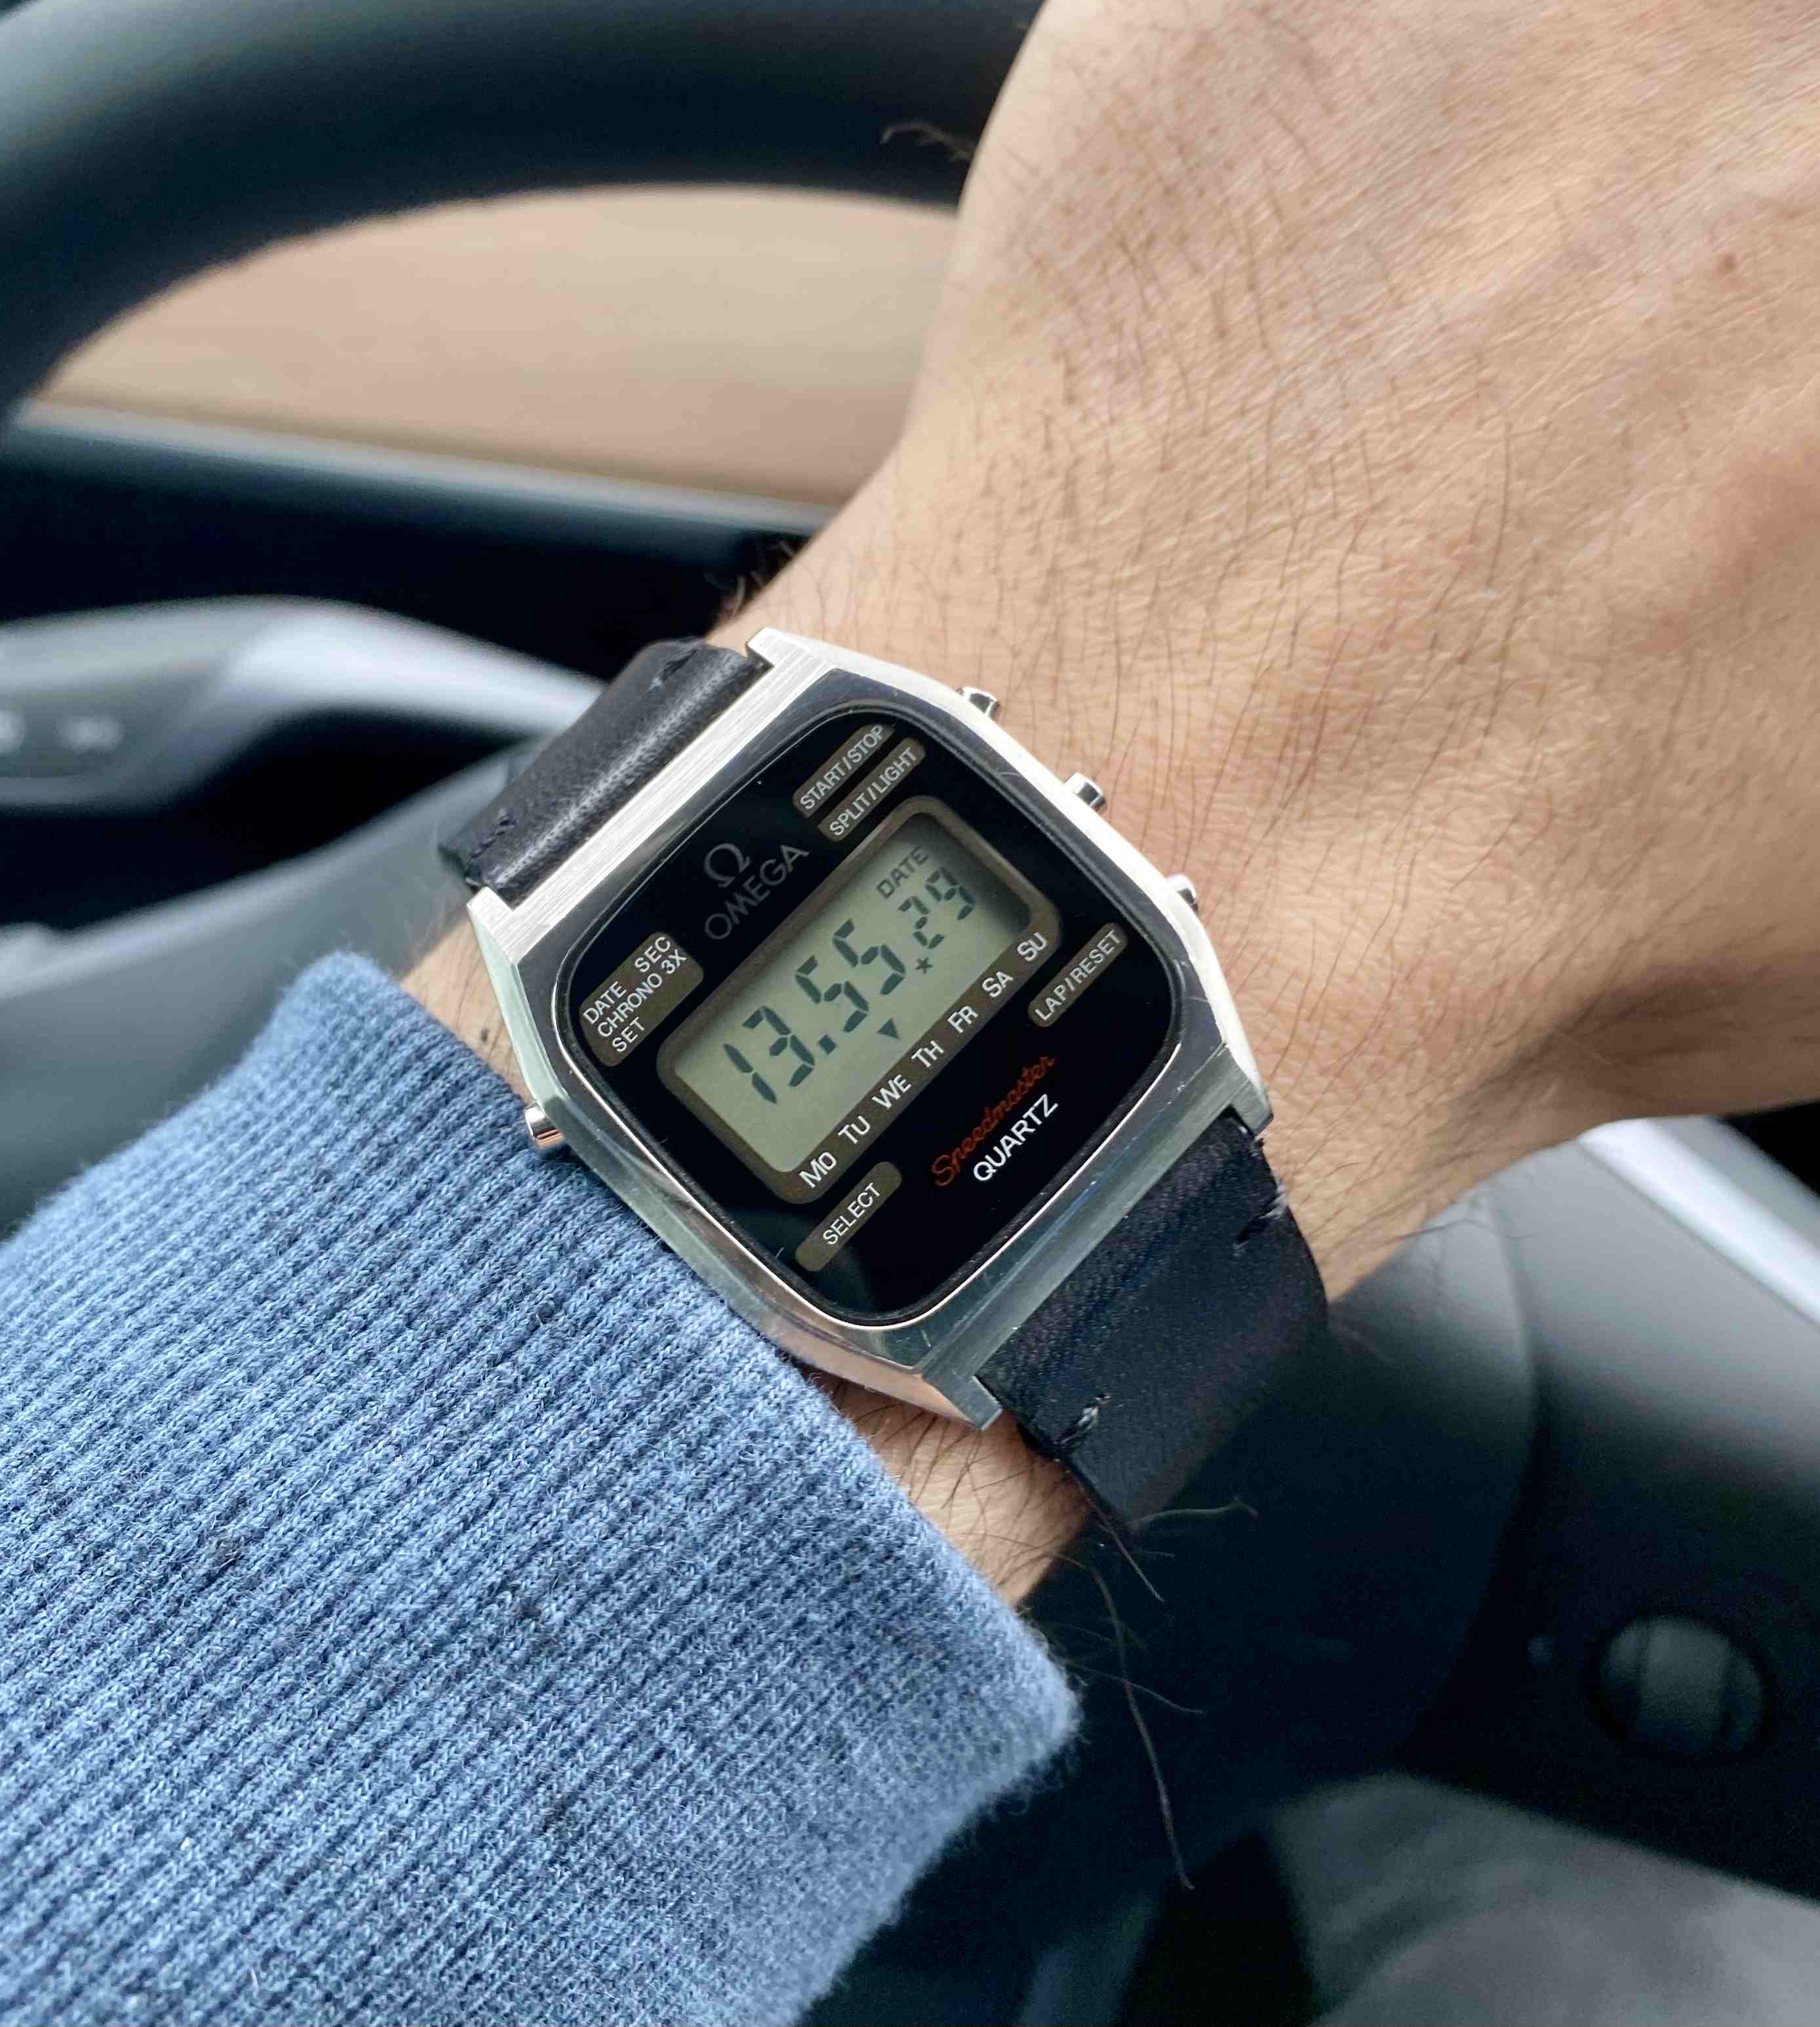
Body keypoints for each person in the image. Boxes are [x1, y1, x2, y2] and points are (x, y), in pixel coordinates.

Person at [9, 0, 1820, 2017]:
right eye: (814, 1019)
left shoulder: (948, 884)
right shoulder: (751, 1167)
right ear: (571, 1121)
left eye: (866, 964)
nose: (859, 1001)